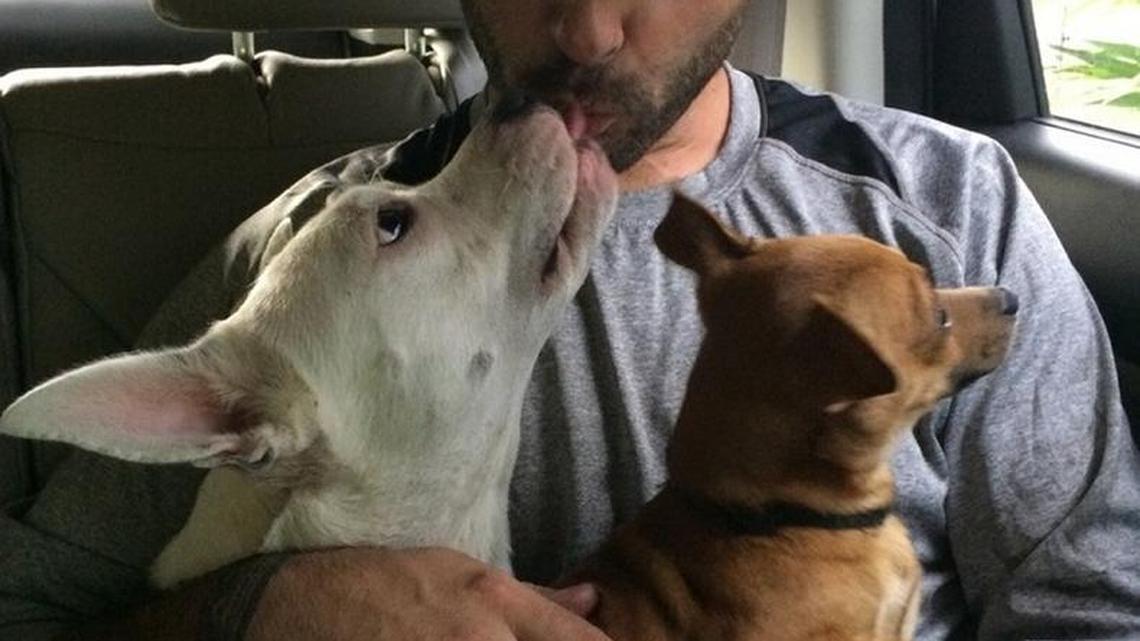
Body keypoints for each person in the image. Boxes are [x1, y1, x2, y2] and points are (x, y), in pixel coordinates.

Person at [1, 0, 1137, 639]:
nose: (588, 29)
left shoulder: (949, 203)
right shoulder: (302, 279)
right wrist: (256, 607)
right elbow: (36, 611)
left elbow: (1087, 607)